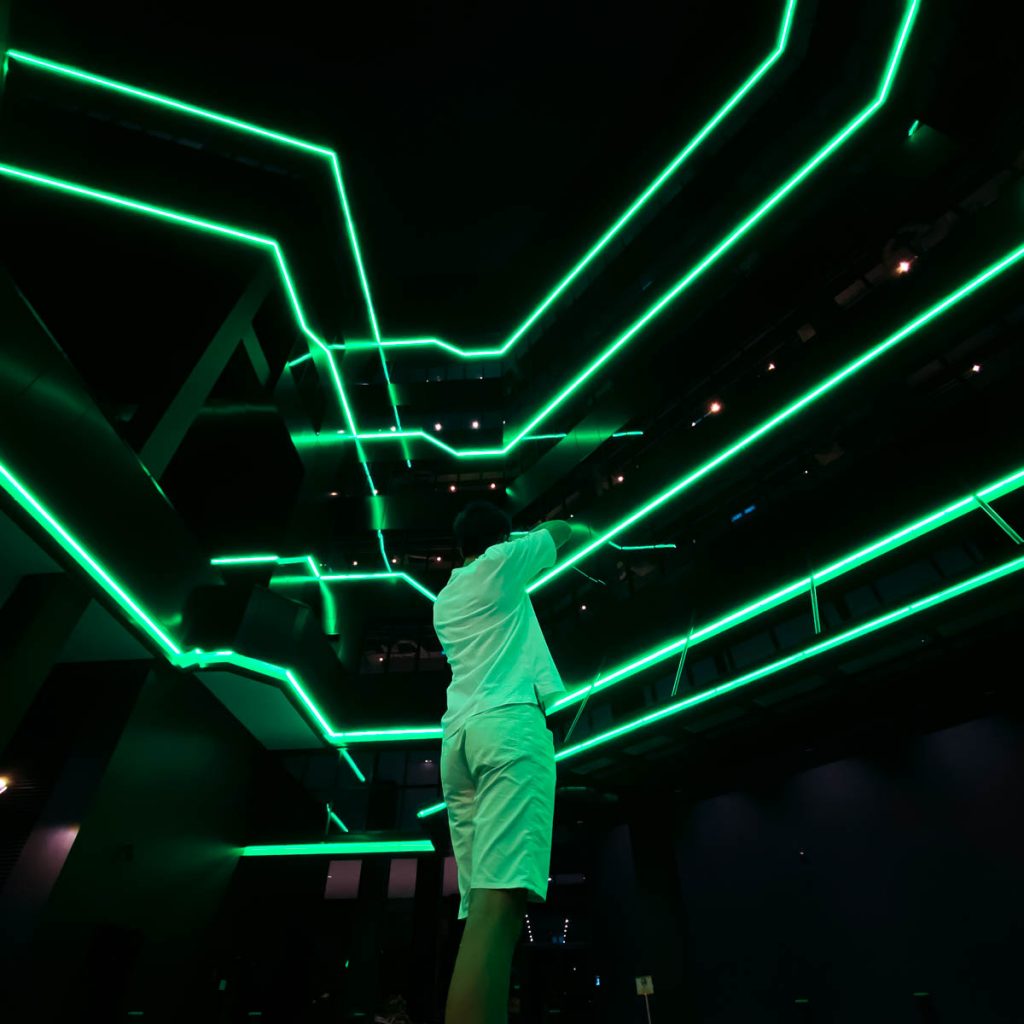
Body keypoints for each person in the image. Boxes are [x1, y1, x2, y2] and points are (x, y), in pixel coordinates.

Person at [432, 501, 573, 1024]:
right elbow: (561, 531)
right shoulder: (500, 562)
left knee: (486, 916)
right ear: (499, 538)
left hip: (461, 741)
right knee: (499, 909)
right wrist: (529, 533)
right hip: (509, 728)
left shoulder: (444, 597)